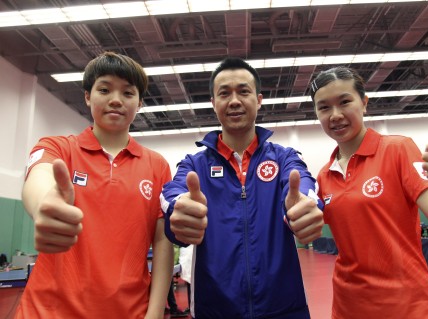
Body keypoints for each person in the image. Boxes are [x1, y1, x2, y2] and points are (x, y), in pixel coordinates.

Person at [160, 57, 324, 319]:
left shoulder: (284, 158)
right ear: (214, 103)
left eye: (243, 91)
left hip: (284, 309)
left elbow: (303, 185)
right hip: (215, 310)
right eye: (224, 93)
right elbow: (173, 195)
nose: (234, 100)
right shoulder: (194, 165)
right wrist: (180, 213)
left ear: (259, 100)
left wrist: (304, 205)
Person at [16, 52, 174, 319]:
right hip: (46, 312)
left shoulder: (157, 165)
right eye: (104, 89)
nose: (115, 100)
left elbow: (162, 241)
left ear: (139, 103)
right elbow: (38, 178)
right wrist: (44, 205)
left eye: (127, 93)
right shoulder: (58, 147)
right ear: (88, 96)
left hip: (128, 312)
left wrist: (156, 311)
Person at [309, 66, 428, 319]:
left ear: (364, 103)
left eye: (345, 102)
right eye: (324, 107)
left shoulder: (399, 149)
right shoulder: (324, 175)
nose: (335, 115)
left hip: (411, 307)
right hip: (349, 308)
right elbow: (310, 228)